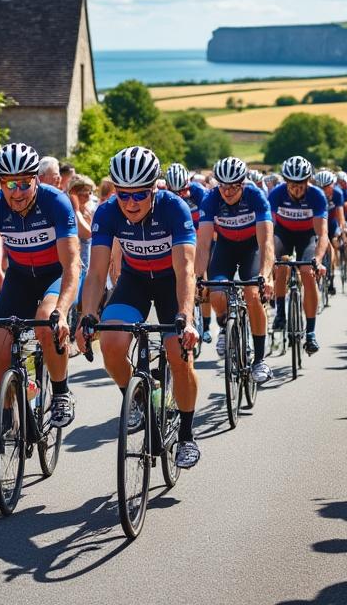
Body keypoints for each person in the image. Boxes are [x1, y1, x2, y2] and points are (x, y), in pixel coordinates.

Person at [80, 146, 202, 467]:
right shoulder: (107, 212)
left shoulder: (174, 209)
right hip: (134, 281)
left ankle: (187, 436)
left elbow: (186, 270)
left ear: (154, 189)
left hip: (170, 283)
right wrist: (88, 314)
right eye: (123, 194)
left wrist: (186, 318)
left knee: (178, 353)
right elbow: (95, 273)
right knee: (111, 343)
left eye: (139, 195)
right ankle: (137, 398)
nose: (130, 203)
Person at [0, 143, 82, 427]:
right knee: (0, 353)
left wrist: (62, 311)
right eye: (10, 184)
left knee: (46, 323)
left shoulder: (55, 202)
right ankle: (11, 411)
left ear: (36, 179)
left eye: (25, 184)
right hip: (20, 277)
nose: (17, 192)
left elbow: (72, 264)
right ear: (0, 183)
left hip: (56, 274)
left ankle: (61, 392)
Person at [194, 156, 274, 381]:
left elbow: (266, 242)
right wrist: (199, 277)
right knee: (217, 292)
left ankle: (259, 360)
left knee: (253, 294)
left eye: (233, 187)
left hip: (251, 248)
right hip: (226, 248)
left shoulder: (255, 196)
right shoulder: (211, 199)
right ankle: (223, 325)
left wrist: (265, 275)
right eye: (223, 186)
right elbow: (203, 245)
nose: (227, 192)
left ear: (243, 183)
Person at [268, 155, 329, 355]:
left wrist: (318, 261)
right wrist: (268, 259)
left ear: (308, 180)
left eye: (301, 183)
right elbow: (268, 230)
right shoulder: (276, 194)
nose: (297, 188)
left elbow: (322, 234)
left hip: (306, 236)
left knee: (308, 272)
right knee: (280, 265)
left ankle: (310, 332)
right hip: (283, 234)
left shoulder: (316, 196)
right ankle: (280, 313)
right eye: (292, 184)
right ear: (285, 181)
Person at [165, 163, 213, 343]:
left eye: (183, 191)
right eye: (174, 192)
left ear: (189, 185)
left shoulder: (199, 192)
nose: (179, 196)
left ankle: (206, 325)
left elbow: (209, 218)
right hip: (178, 238)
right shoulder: (164, 194)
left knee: (202, 278)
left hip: (198, 234)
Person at [314, 169, 344, 296]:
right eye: (321, 187)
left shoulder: (337, 193)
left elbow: (340, 213)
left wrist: (342, 228)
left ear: (332, 184)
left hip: (332, 222)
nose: (324, 189)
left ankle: (331, 273)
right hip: (318, 222)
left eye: (326, 186)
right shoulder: (314, 194)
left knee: (333, 243)